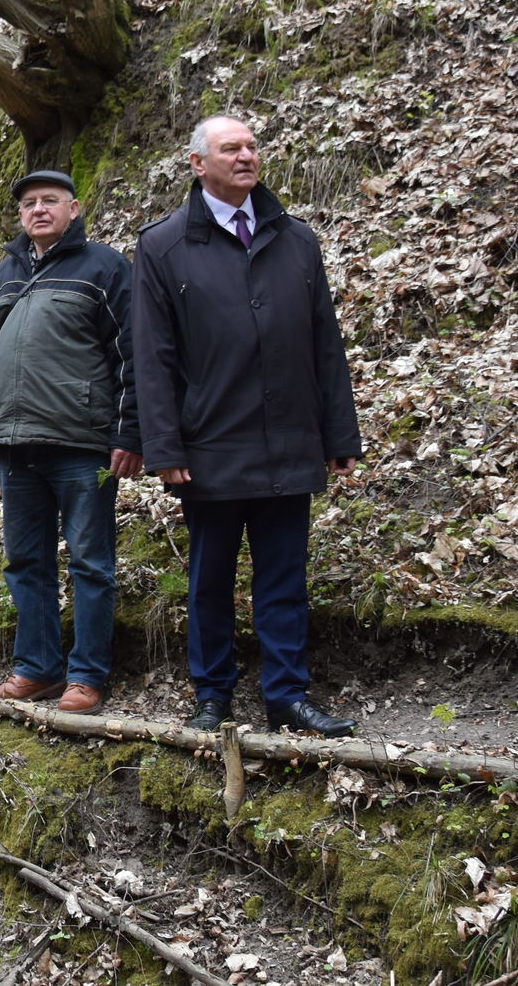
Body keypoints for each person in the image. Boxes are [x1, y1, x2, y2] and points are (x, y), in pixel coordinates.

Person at [134, 115, 363, 737]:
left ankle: (288, 695)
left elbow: (325, 344)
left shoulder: (296, 239)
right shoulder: (163, 246)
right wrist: (163, 445)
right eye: (230, 148)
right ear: (197, 164)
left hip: (290, 438)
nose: (246, 156)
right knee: (209, 578)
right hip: (210, 444)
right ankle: (212, 695)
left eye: (252, 146)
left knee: (285, 577)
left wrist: (339, 435)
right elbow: (152, 356)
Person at [0, 170, 142, 714]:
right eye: (28, 203)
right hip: (16, 448)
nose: (38, 210)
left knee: (90, 560)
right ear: (19, 216)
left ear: (75, 208)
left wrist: (129, 429)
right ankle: (37, 669)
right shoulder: (1, 279)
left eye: (50, 201)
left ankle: (86, 675)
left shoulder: (105, 267)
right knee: (25, 562)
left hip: (83, 444)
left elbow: (132, 353)